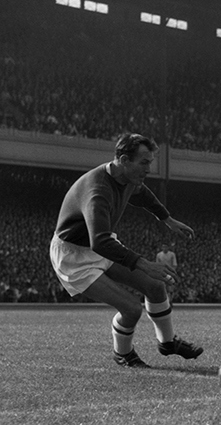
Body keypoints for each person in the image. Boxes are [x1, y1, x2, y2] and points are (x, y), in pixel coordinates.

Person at [49, 132, 203, 368]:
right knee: (131, 309)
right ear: (123, 159)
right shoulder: (97, 192)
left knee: (155, 286)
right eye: (144, 162)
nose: (148, 169)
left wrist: (167, 219)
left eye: (149, 162)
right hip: (74, 256)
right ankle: (123, 354)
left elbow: (142, 195)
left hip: (98, 244)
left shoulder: (128, 179)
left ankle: (168, 343)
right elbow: (99, 242)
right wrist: (144, 264)